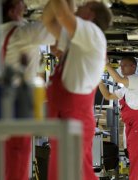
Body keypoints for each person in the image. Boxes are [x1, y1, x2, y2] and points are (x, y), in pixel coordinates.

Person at [0, 0, 55, 179]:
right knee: (17, 159)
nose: (25, 6)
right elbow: (61, 30)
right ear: (14, 9)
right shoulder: (24, 33)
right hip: (18, 104)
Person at [42, 0, 112, 179]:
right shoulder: (80, 39)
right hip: (67, 118)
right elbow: (49, 21)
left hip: (75, 120)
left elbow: (64, 16)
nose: (80, 5)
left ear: (91, 13)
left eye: (84, 4)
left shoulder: (92, 33)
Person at [99, 57, 138, 180]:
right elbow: (108, 95)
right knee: (137, 157)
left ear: (133, 67)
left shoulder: (135, 80)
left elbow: (118, 78)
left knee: (136, 158)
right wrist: (98, 81)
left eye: (124, 65)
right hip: (131, 124)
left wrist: (107, 65)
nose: (121, 68)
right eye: (121, 65)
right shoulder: (126, 88)